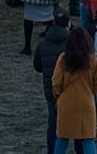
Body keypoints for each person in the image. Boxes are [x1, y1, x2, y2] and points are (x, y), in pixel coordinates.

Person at [35, 9, 76, 154]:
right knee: (78, 123)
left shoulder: (43, 43)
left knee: (53, 123)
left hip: (51, 89)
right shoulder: (73, 43)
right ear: (68, 24)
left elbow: (37, 66)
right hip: (71, 89)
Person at [52, 26, 97, 154]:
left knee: (61, 139)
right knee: (88, 140)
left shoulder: (63, 58)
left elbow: (56, 82)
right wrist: (90, 93)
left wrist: (58, 95)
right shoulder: (93, 60)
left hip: (66, 103)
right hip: (86, 104)